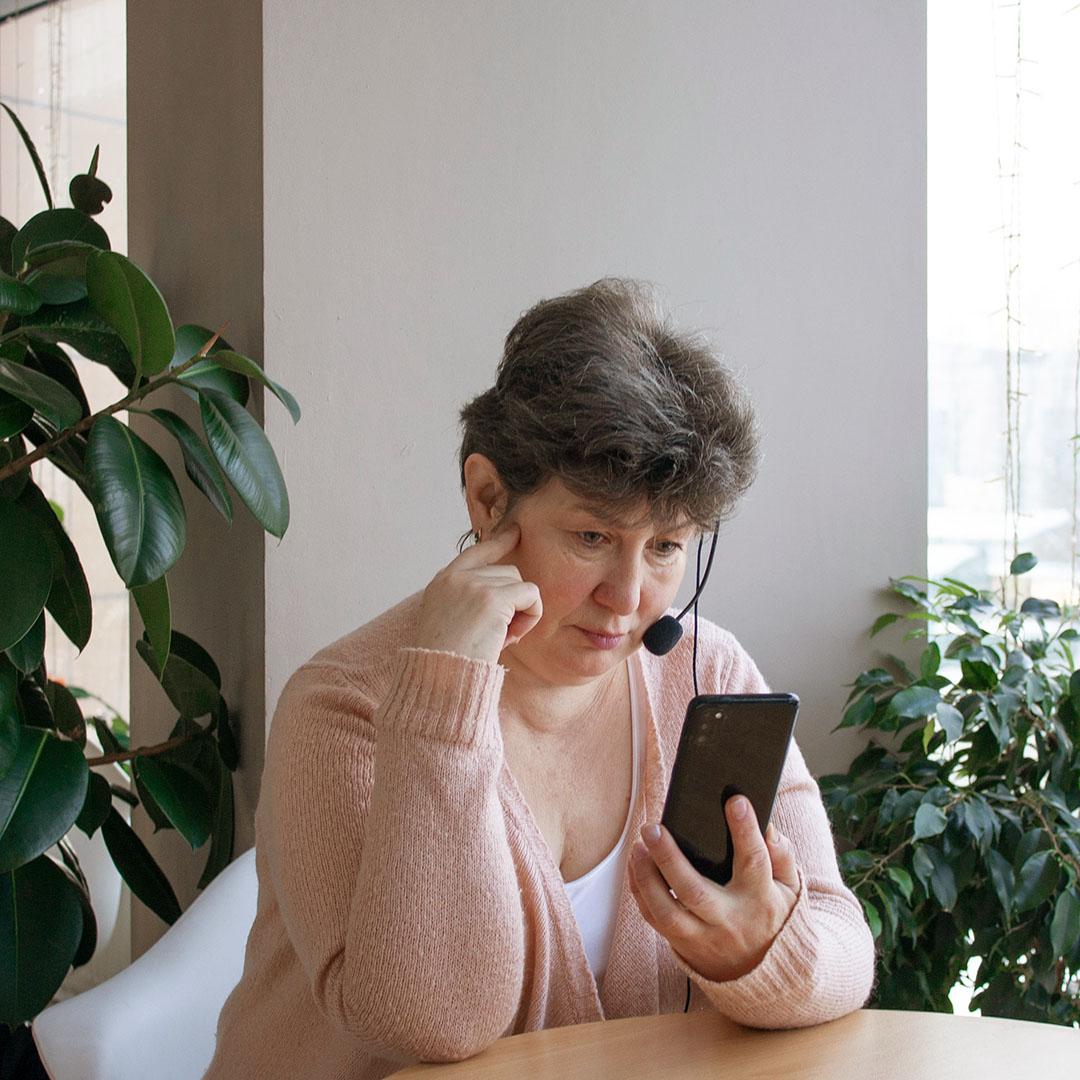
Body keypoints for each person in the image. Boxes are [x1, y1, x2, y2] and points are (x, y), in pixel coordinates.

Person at [205, 279, 874, 1079]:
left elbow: (844, 947)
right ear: (488, 498)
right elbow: (430, 1023)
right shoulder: (344, 709)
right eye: (593, 535)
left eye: (665, 547)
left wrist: (762, 949)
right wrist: (447, 692)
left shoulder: (705, 672)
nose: (628, 599)